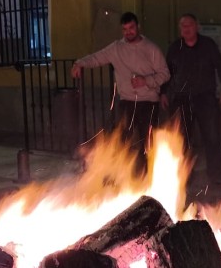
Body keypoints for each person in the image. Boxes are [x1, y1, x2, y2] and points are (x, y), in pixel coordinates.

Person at [71, 12, 169, 174]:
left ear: (138, 27)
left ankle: (148, 176)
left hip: (149, 102)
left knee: (147, 143)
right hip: (127, 102)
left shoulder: (151, 49)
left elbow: (165, 74)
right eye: (124, 29)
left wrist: (146, 81)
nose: (128, 32)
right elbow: (97, 58)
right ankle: (125, 177)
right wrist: (79, 63)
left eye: (131, 28)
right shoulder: (116, 48)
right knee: (123, 142)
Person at [161, 13, 221, 186]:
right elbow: (166, 72)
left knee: (212, 137)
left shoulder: (208, 45)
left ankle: (215, 176)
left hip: (205, 97)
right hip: (181, 99)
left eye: (189, 25)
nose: (186, 29)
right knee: (182, 141)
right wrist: (163, 92)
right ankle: (185, 177)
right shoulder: (175, 47)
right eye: (183, 26)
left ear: (197, 26)